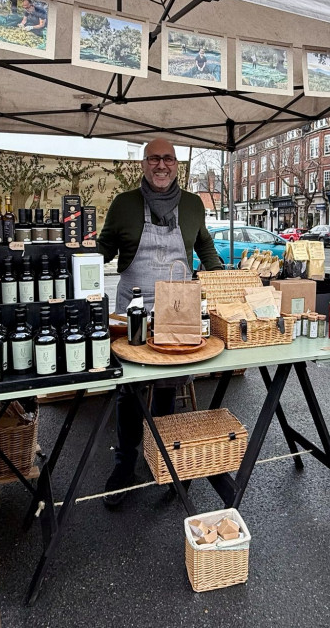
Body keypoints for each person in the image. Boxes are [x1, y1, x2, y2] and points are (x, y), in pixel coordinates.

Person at [96, 138, 223, 506]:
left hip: (177, 309)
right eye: (154, 158)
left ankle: (165, 460)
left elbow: (206, 249)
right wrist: (79, 263)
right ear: (144, 164)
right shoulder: (124, 204)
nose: (161, 165)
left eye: (168, 158)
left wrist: (225, 282)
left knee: (168, 385)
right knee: (130, 388)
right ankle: (125, 463)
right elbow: (104, 248)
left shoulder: (194, 205)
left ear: (177, 165)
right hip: (131, 309)